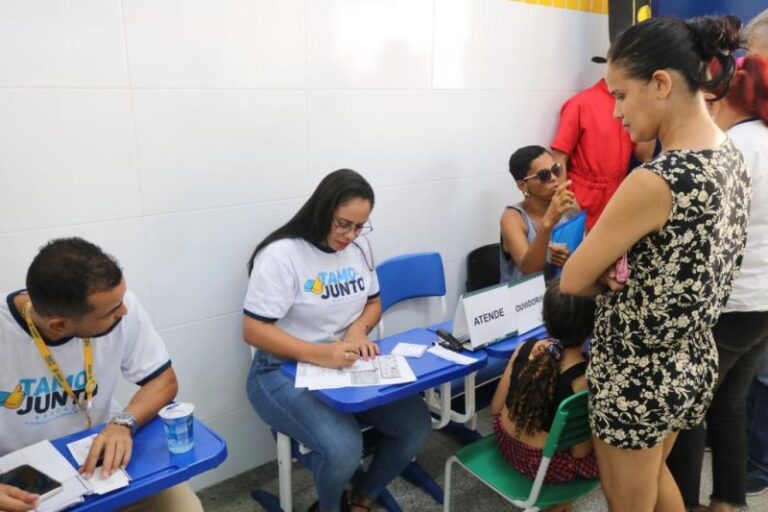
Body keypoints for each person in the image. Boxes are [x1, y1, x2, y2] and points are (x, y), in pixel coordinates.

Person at [560, 15, 750, 512]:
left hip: (637, 371)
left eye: (621, 95)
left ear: (661, 83)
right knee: (656, 478)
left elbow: (573, 278)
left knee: (630, 501)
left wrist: (606, 272)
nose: (616, 112)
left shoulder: (657, 178)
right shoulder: (729, 154)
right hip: (690, 357)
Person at [243, 169, 431, 512]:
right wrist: (319, 354)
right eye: (343, 224)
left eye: (360, 226)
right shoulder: (281, 255)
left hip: (344, 363)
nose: (351, 235)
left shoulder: (359, 246)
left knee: (415, 424)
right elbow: (254, 331)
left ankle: (363, 497)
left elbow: (374, 303)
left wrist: (358, 330)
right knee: (344, 448)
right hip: (280, 370)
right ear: (322, 210)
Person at [0, 237, 202, 512]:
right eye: (113, 311)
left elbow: (163, 381)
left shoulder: (120, 305)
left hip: (101, 455)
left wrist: (123, 423)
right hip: (23, 477)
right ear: (59, 326)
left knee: (185, 508)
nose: (124, 311)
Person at [666, 53, 768, 512]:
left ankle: (685, 505)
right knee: (729, 404)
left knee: (688, 412)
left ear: (723, 97)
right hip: (762, 304)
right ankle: (728, 501)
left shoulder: (731, 148)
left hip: (731, 304)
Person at [491, 278, 598, 511]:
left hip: (505, 444)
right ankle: (560, 506)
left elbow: (495, 408)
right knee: (608, 455)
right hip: (543, 467)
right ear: (592, 324)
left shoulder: (525, 348)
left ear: (545, 318)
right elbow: (579, 451)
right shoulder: (582, 380)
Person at [500, 145, 577, 284]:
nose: (554, 178)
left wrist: (570, 258)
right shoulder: (512, 218)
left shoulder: (568, 206)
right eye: (544, 175)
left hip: (561, 291)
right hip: (526, 296)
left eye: (556, 170)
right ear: (523, 185)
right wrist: (548, 223)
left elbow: (586, 248)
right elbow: (530, 271)